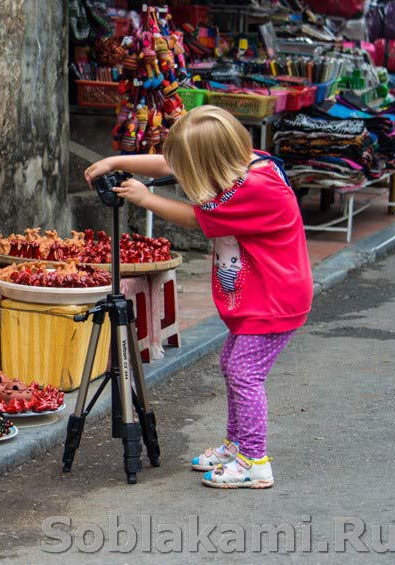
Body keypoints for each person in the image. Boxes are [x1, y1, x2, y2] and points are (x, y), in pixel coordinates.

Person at [84, 105, 313, 489]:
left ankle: (254, 460)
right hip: (260, 296)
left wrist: (143, 197)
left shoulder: (257, 189)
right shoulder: (243, 164)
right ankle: (237, 446)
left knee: (244, 373)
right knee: (234, 365)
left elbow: (196, 218)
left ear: (210, 161)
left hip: (275, 299)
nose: (182, 172)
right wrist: (115, 160)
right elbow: (169, 163)